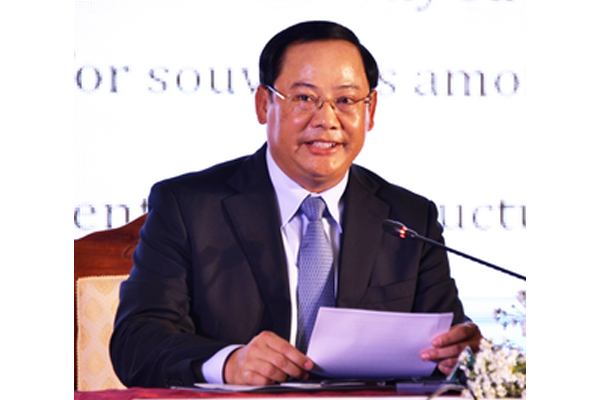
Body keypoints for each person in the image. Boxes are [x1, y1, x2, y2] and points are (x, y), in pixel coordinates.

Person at [110, 20, 482, 388]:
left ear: (370, 111)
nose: (326, 120)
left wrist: (461, 353)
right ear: (263, 104)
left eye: (346, 101)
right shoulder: (189, 207)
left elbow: (451, 351)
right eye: (304, 98)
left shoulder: (410, 219)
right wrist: (229, 363)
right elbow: (136, 343)